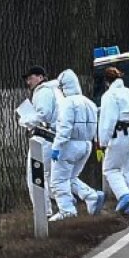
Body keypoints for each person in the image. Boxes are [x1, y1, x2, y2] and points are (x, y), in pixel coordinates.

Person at [50, 69, 104, 221]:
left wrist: (56, 147)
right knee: (72, 177)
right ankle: (91, 196)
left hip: (69, 145)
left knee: (58, 180)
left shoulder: (67, 103)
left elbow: (64, 128)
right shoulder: (89, 103)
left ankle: (67, 211)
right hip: (86, 145)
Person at [97, 66, 129, 215]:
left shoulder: (110, 95)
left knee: (110, 169)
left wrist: (103, 142)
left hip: (119, 134)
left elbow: (108, 119)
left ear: (106, 82)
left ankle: (124, 195)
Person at [25, 66, 60, 213]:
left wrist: (27, 120)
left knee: (35, 175)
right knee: (51, 177)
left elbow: (43, 114)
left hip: (44, 137)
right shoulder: (49, 91)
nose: (28, 82)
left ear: (40, 77)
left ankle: (43, 212)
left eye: (30, 78)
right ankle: (64, 207)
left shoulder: (44, 92)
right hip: (48, 137)